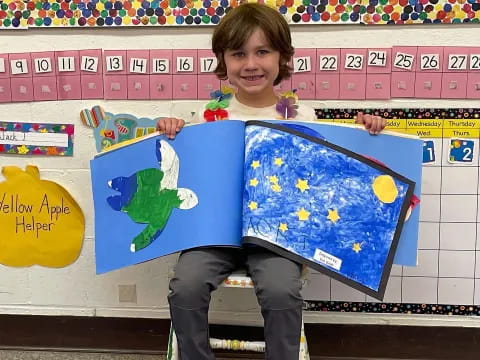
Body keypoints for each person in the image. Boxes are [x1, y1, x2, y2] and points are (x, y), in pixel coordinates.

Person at [157, 3, 386, 360]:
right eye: (239, 54)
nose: (251, 64)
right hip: (216, 235)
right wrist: (172, 131)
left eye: (263, 51)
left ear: (282, 57)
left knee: (282, 291)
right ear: (224, 61)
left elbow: (327, 174)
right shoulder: (204, 116)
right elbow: (185, 167)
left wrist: (367, 132)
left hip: (275, 237)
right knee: (185, 286)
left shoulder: (301, 116)